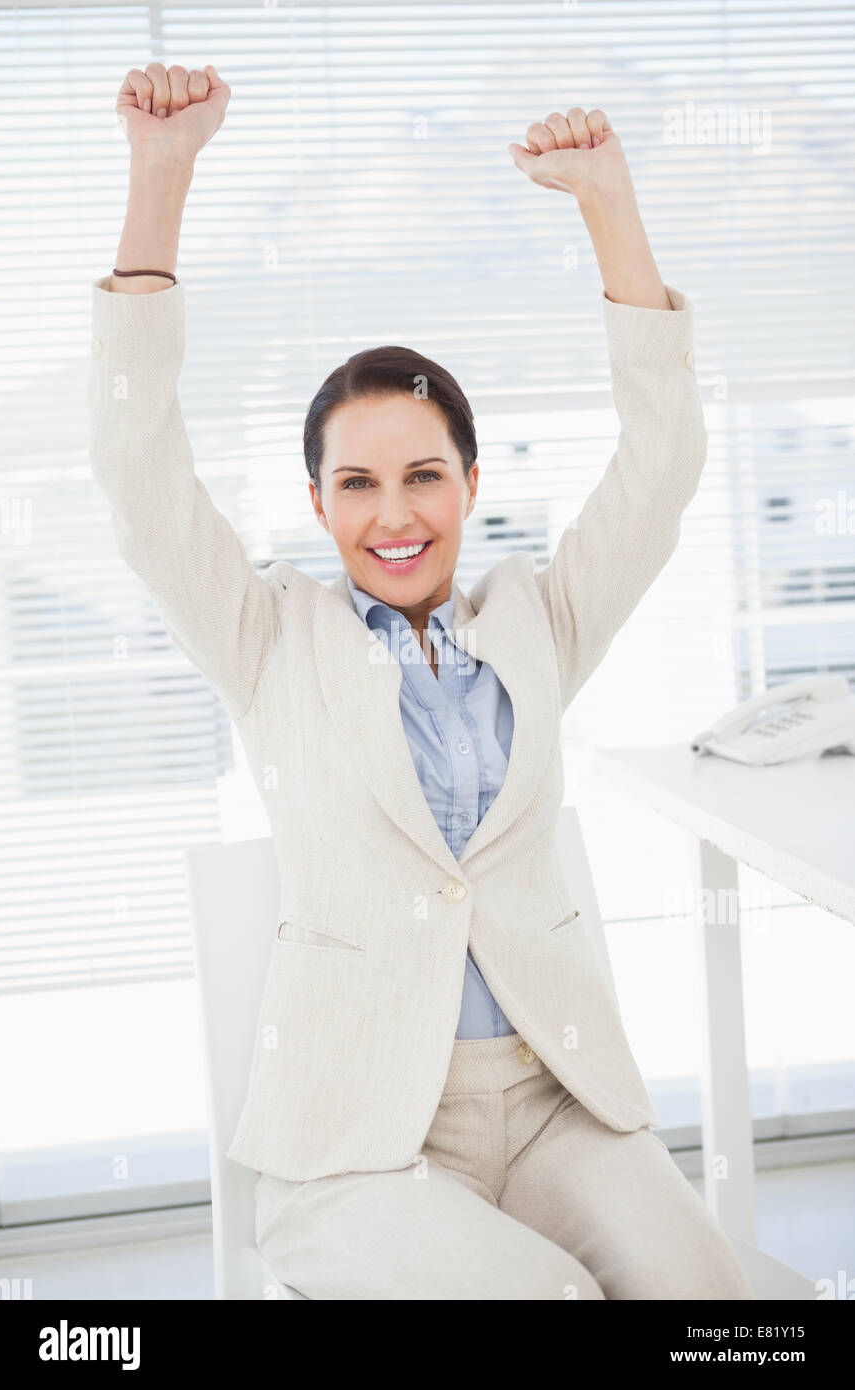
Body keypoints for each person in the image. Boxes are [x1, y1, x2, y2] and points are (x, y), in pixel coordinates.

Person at [90, 62, 753, 1301]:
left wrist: (606, 201)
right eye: (357, 484)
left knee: (711, 1304)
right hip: (357, 1141)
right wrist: (160, 173)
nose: (393, 516)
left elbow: (660, 468)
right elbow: (136, 468)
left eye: (423, 476)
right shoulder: (269, 635)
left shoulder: (534, 620)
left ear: (468, 483)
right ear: (316, 503)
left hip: (558, 1106)